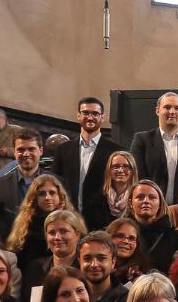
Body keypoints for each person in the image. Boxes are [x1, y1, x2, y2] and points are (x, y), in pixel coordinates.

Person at [49, 97, 126, 230]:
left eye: (95, 114)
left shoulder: (115, 150)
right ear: (78, 116)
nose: (90, 117)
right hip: (68, 218)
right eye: (85, 113)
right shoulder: (63, 149)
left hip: (101, 220)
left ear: (103, 117)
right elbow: (55, 182)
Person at [133, 92, 178, 198]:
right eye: (167, 107)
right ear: (157, 110)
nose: (172, 112)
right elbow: (138, 177)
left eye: (177, 108)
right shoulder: (142, 140)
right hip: (151, 208)